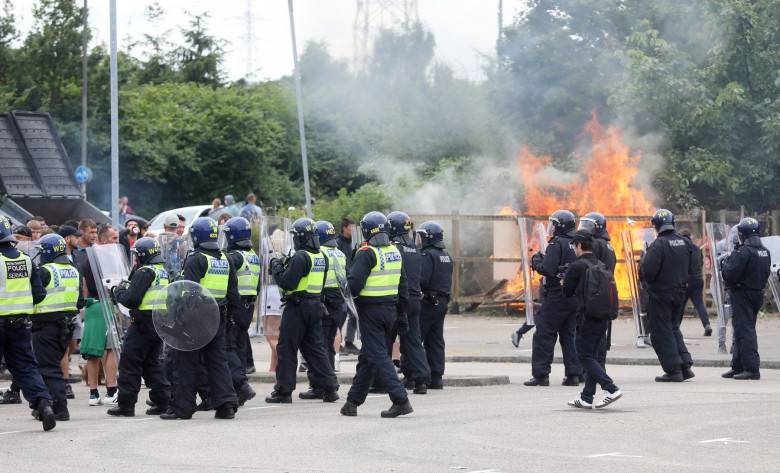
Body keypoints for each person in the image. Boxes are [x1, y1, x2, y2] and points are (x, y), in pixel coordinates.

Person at [164, 217, 239, 420]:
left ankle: (182, 408)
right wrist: (229, 317)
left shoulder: (196, 258)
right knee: (218, 363)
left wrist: (179, 317)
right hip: (217, 318)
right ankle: (226, 406)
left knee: (186, 362)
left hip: (195, 318)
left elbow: (189, 292)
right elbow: (234, 294)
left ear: (196, 236)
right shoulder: (225, 259)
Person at [340, 212, 412, 418]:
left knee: (379, 357)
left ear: (365, 231)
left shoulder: (366, 253)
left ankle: (401, 400)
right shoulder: (394, 251)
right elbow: (403, 285)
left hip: (371, 312)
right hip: (390, 311)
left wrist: (345, 284)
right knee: (368, 357)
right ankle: (352, 402)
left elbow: (354, 286)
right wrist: (401, 313)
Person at [265, 218, 339, 404]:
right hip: (315, 306)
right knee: (316, 349)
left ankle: (283, 391)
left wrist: (277, 268)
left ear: (302, 237)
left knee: (287, 348)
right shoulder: (321, 256)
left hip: (297, 307)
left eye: (295, 236)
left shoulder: (301, 256)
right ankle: (330, 388)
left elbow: (287, 284)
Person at [0, 216, 57, 430]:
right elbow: (39, 294)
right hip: (21, 323)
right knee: (26, 367)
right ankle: (44, 404)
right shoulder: (25, 259)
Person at [107, 237, 171, 416]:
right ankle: (163, 401)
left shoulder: (145, 272)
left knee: (129, 364)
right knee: (151, 364)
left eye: (137, 254)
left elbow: (131, 300)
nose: (135, 258)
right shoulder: (161, 270)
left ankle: (126, 405)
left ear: (143, 254)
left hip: (142, 324)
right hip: (158, 323)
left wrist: (117, 291)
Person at [563, 230, 622, 409]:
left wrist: (564, 282)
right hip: (602, 316)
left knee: (584, 355)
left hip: (586, 316)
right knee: (593, 355)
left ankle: (610, 388)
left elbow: (567, 292)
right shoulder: (600, 263)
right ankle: (586, 397)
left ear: (580, 245)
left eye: (574, 246)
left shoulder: (577, 266)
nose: (574, 249)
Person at [525, 210, 582, 387]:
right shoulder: (578, 243)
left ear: (560, 225)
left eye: (555, 224)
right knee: (569, 335)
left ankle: (541, 375)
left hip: (557, 295)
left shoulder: (558, 243)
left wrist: (537, 261)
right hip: (575, 296)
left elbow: (549, 270)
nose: (553, 227)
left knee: (545, 333)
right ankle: (573, 375)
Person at [638, 209, 695, 382]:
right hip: (680, 292)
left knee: (660, 332)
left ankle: (673, 370)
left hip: (661, 295)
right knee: (673, 328)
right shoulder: (685, 242)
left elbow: (647, 272)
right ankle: (684, 365)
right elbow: (692, 267)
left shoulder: (658, 245)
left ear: (656, 226)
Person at [299, 221, 346, 400]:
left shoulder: (319, 252)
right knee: (328, 344)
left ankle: (320, 385)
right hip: (337, 304)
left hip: (322, 301)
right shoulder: (340, 253)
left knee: (316, 345)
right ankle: (325, 382)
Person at [721, 218, 771, 380]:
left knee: (744, 331)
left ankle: (751, 368)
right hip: (756, 293)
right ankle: (738, 366)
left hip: (743, 294)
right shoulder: (764, 251)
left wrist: (725, 264)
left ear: (741, 233)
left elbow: (730, 276)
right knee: (742, 329)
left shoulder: (743, 252)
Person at [386, 212, 431, 394]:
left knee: (385, 340)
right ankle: (420, 380)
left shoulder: (394, 248)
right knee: (412, 340)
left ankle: (382, 379)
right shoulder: (414, 249)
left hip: (398, 300)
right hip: (414, 300)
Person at [80, 224, 120, 405]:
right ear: (104, 240)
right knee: (110, 349)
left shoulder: (89, 257)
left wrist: (87, 304)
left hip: (92, 306)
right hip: (106, 304)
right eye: (114, 238)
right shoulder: (108, 258)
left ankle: (94, 394)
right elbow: (114, 282)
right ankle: (112, 391)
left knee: (92, 352)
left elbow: (84, 285)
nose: (117, 241)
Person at [223, 217, 259, 406]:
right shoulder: (253, 255)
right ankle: (239, 389)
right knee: (239, 347)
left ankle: (241, 385)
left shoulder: (235, 256)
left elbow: (228, 283)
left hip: (235, 306)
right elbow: (257, 285)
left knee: (228, 348)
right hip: (248, 306)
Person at [416, 221, 453, 390]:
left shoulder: (427, 255)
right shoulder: (446, 256)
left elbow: (422, 280)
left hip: (428, 303)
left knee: (416, 339)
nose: (419, 240)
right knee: (436, 340)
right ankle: (436, 377)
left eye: (421, 237)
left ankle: (416, 377)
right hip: (442, 302)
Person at [58, 225, 84, 400]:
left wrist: (81, 301)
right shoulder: (57, 258)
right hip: (61, 308)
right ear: (67, 239)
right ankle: (64, 382)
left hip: (74, 307)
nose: (79, 239)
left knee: (72, 344)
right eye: (76, 236)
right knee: (63, 348)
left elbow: (80, 282)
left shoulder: (76, 257)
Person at [679, 229, 711, 336]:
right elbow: (701, 263)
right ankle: (707, 325)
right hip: (698, 280)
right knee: (699, 304)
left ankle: (675, 328)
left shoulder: (684, 249)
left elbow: (684, 266)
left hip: (687, 281)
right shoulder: (697, 249)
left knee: (681, 305)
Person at [336, 217, 360, 355]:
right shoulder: (339, 243)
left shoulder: (354, 243)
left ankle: (349, 342)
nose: (353, 231)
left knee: (354, 314)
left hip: (352, 282)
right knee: (341, 314)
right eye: (351, 227)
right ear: (344, 228)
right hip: (343, 283)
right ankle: (336, 343)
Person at [156, 213, 188, 280]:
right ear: (177, 226)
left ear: (164, 226)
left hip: (158, 281)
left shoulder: (154, 242)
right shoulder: (183, 244)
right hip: (176, 284)